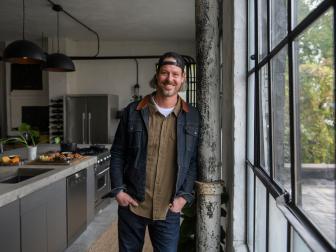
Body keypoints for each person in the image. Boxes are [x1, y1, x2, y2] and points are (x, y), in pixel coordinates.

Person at [110, 51, 200, 252]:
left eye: (175, 74)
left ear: (183, 78)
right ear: (157, 75)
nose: (170, 79)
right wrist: (118, 191)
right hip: (132, 205)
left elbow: (193, 161)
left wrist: (183, 198)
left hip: (168, 210)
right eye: (165, 73)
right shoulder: (133, 112)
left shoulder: (192, 116)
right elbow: (117, 153)